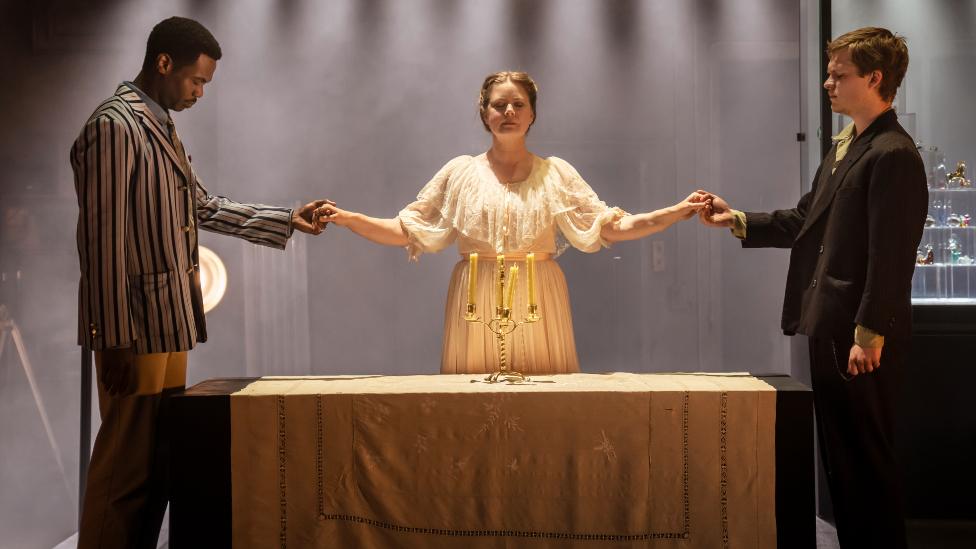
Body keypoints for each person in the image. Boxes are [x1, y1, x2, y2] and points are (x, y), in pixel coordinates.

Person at [70, 16, 332, 548]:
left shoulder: (159, 125)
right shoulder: (114, 126)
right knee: (124, 466)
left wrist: (285, 219)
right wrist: (112, 336)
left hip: (170, 320)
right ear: (164, 63)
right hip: (135, 327)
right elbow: (102, 242)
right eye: (197, 81)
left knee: (157, 464)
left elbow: (202, 207)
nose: (199, 92)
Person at [697, 27, 926, 549]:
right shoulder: (852, 147)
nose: (827, 83)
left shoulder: (892, 153)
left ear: (875, 77)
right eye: (829, 73)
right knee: (845, 463)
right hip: (831, 324)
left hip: (859, 337)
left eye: (838, 74)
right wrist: (736, 219)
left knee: (865, 463)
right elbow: (807, 219)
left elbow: (890, 259)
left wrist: (869, 334)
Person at [315, 71, 706, 374]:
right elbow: (406, 229)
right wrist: (350, 219)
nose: (509, 113)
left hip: (539, 294)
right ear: (484, 114)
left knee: (541, 405)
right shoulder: (460, 172)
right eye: (499, 105)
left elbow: (609, 228)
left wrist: (673, 212)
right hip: (476, 292)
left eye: (518, 105)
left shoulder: (555, 173)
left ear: (532, 113)